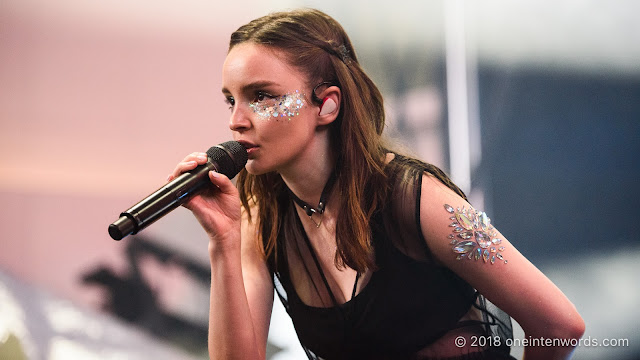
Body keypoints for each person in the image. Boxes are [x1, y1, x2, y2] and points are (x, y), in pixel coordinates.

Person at [168, 8, 585, 360]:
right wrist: (223, 240)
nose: (236, 120)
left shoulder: (415, 198)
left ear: (326, 104)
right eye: (231, 99)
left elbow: (559, 325)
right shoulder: (262, 216)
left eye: (261, 96)